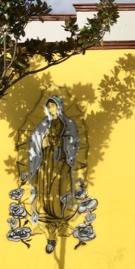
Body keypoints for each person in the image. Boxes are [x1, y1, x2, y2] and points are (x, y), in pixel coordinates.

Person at [28, 96, 80, 225]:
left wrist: (60, 141)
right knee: (44, 183)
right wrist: (42, 142)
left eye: (53, 105)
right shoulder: (45, 123)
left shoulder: (69, 123)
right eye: (49, 106)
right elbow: (35, 138)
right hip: (45, 159)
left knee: (57, 184)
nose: (50, 108)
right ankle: (45, 210)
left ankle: (57, 212)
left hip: (60, 159)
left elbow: (73, 141)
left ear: (59, 106)